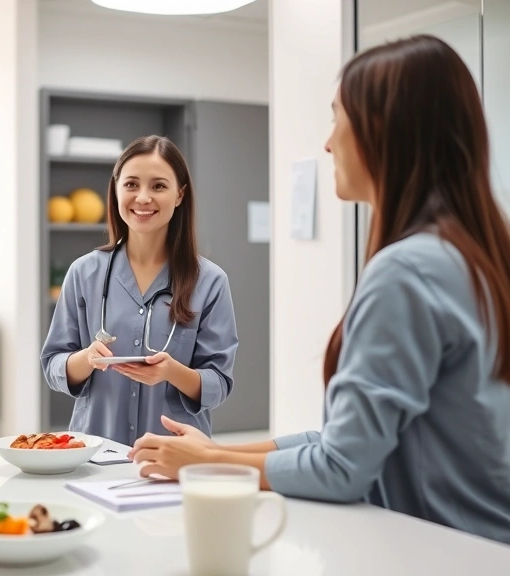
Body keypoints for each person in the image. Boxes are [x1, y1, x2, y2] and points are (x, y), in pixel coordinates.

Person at [128, 35, 510, 545]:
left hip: (445, 550)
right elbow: (345, 441)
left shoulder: (407, 272)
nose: (329, 142)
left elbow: (342, 466)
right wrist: (216, 453)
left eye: (338, 119)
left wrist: (210, 464)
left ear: (385, 132)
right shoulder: (472, 255)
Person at [40, 135, 239, 447]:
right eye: (131, 184)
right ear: (116, 190)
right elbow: (53, 364)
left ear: (179, 195)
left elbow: (219, 383)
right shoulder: (84, 273)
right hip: (95, 454)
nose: (143, 197)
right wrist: (86, 358)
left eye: (158, 186)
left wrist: (171, 372)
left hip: (175, 455)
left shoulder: (211, 282)